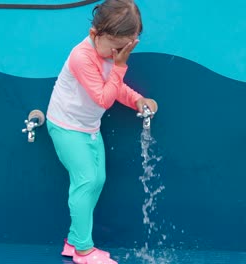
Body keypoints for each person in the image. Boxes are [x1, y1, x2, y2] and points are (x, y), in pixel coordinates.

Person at [46, 0, 158, 263]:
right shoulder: (82, 56)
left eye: (123, 50)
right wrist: (121, 65)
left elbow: (114, 87)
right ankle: (84, 251)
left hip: (89, 128)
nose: (116, 55)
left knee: (97, 179)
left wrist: (137, 100)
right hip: (66, 127)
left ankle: (74, 242)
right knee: (85, 182)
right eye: (114, 49)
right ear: (94, 34)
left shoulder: (110, 54)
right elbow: (103, 98)